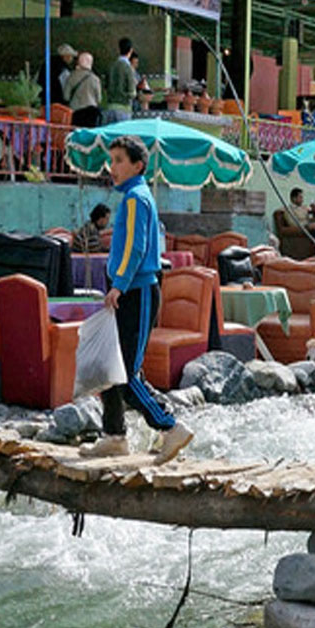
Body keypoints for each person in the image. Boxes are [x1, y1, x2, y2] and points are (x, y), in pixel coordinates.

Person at [83, 137, 192, 462]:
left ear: (137, 166)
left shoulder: (134, 199)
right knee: (110, 367)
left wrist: (118, 285)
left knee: (127, 375)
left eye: (118, 160)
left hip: (136, 291)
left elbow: (136, 248)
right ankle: (114, 436)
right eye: (111, 159)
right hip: (128, 290)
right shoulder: (134, 197)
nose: (112, 167)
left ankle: (170, 427)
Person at [68, 51, 105, 127]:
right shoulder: (95, 79)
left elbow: (66, 96)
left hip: (76, 112)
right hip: (91, 113)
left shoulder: (71, 77)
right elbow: (99, 99)